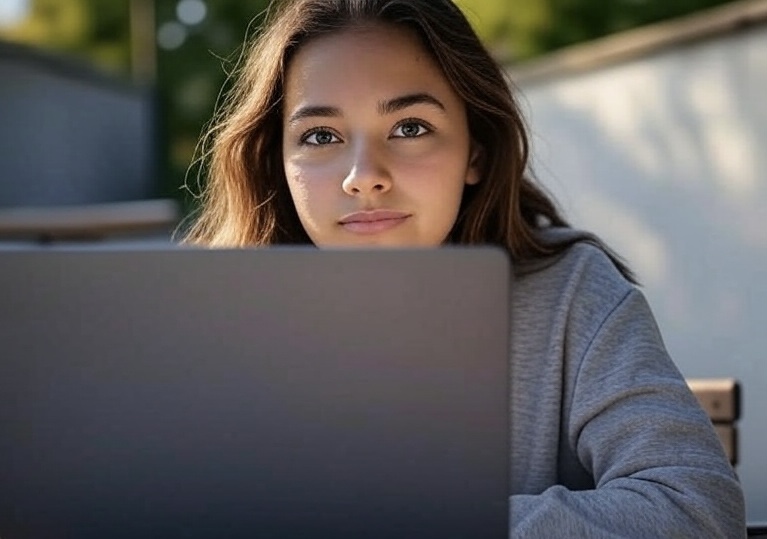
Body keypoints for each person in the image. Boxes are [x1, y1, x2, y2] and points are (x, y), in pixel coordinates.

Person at [182, 0, 747, 536]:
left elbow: (694, 508)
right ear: (278, 161)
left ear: (475, 151)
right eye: (320, 136)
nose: (364, 175)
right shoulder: (224, 321)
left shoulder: (571, 294)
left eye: (409, 127)